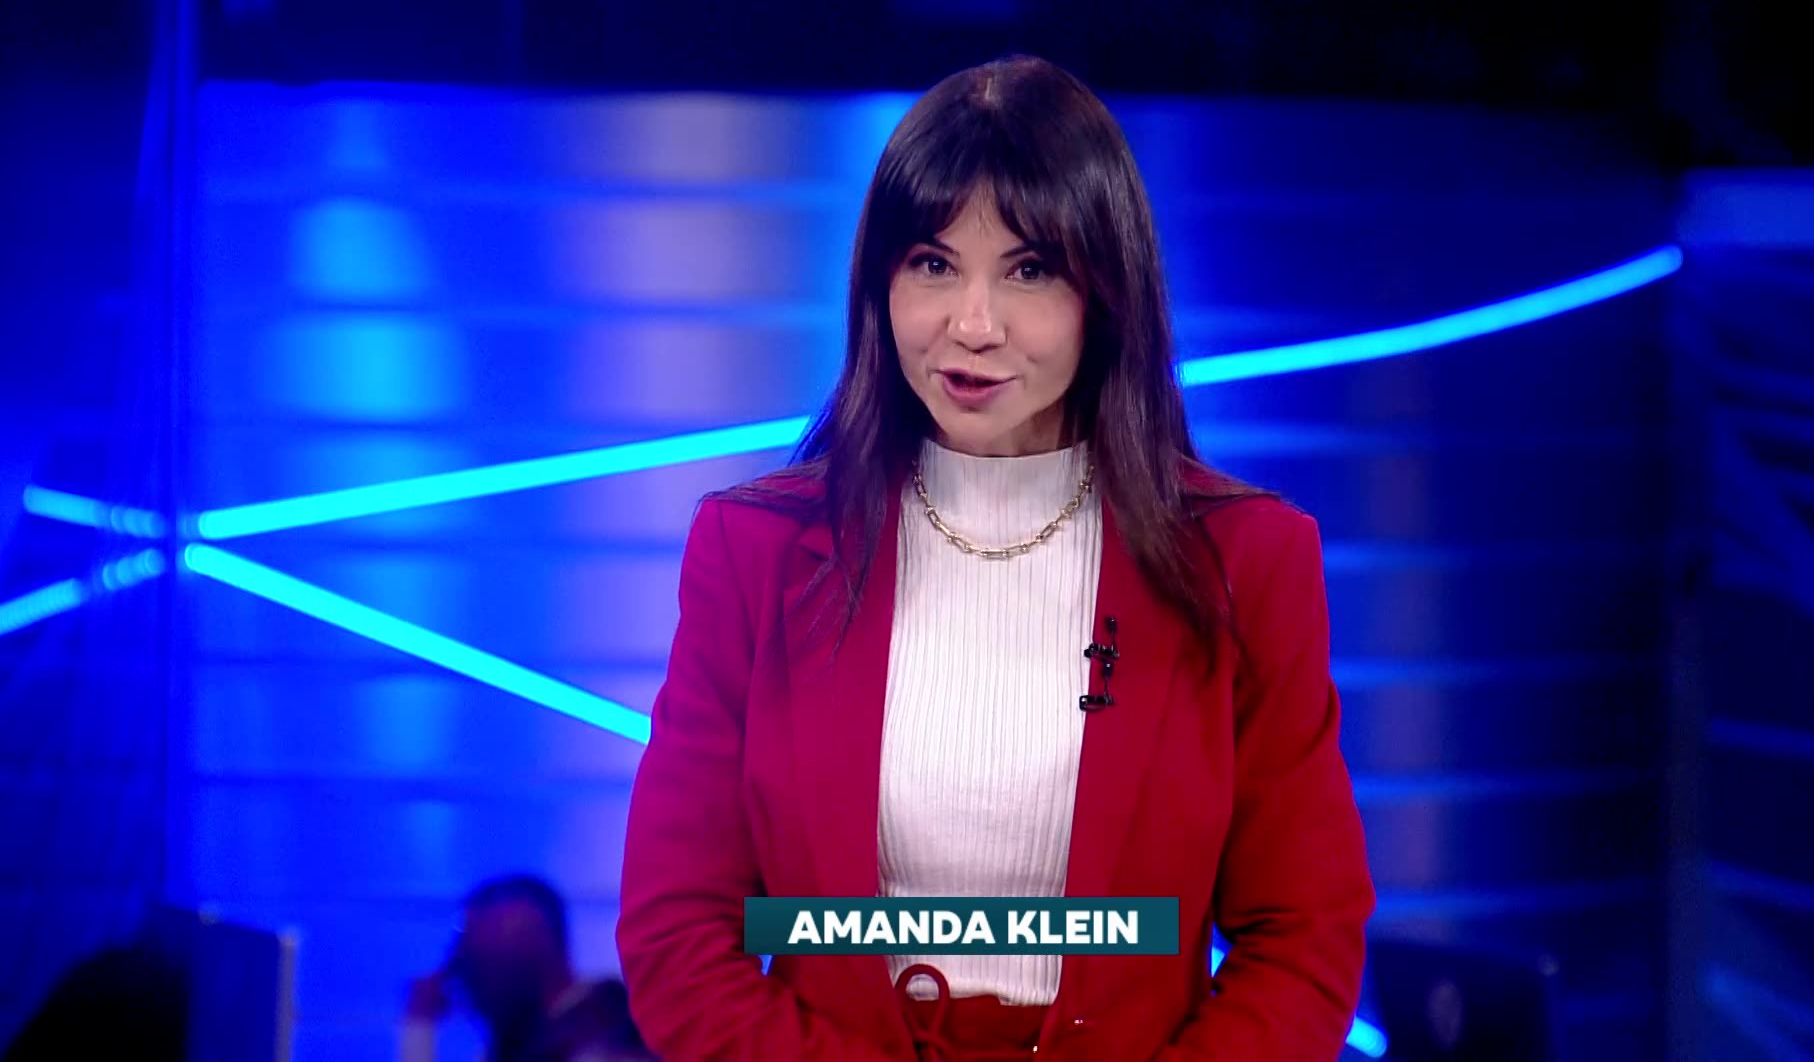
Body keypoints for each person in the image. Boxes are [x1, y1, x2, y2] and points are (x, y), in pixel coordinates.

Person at [616, 55, 1374, 1060]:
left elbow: (1302, 939)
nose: (972, 326)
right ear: (879, 284)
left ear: (1106, 294)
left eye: (1029, 270)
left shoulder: (1246, 560)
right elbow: (678, 936)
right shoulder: (754, 552)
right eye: (933, 264)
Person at [404, 874, 653, 1062]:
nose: (467, 980)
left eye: (485, 959)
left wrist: (419, 1025)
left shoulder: (609, 1040)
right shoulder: (521, 1040)